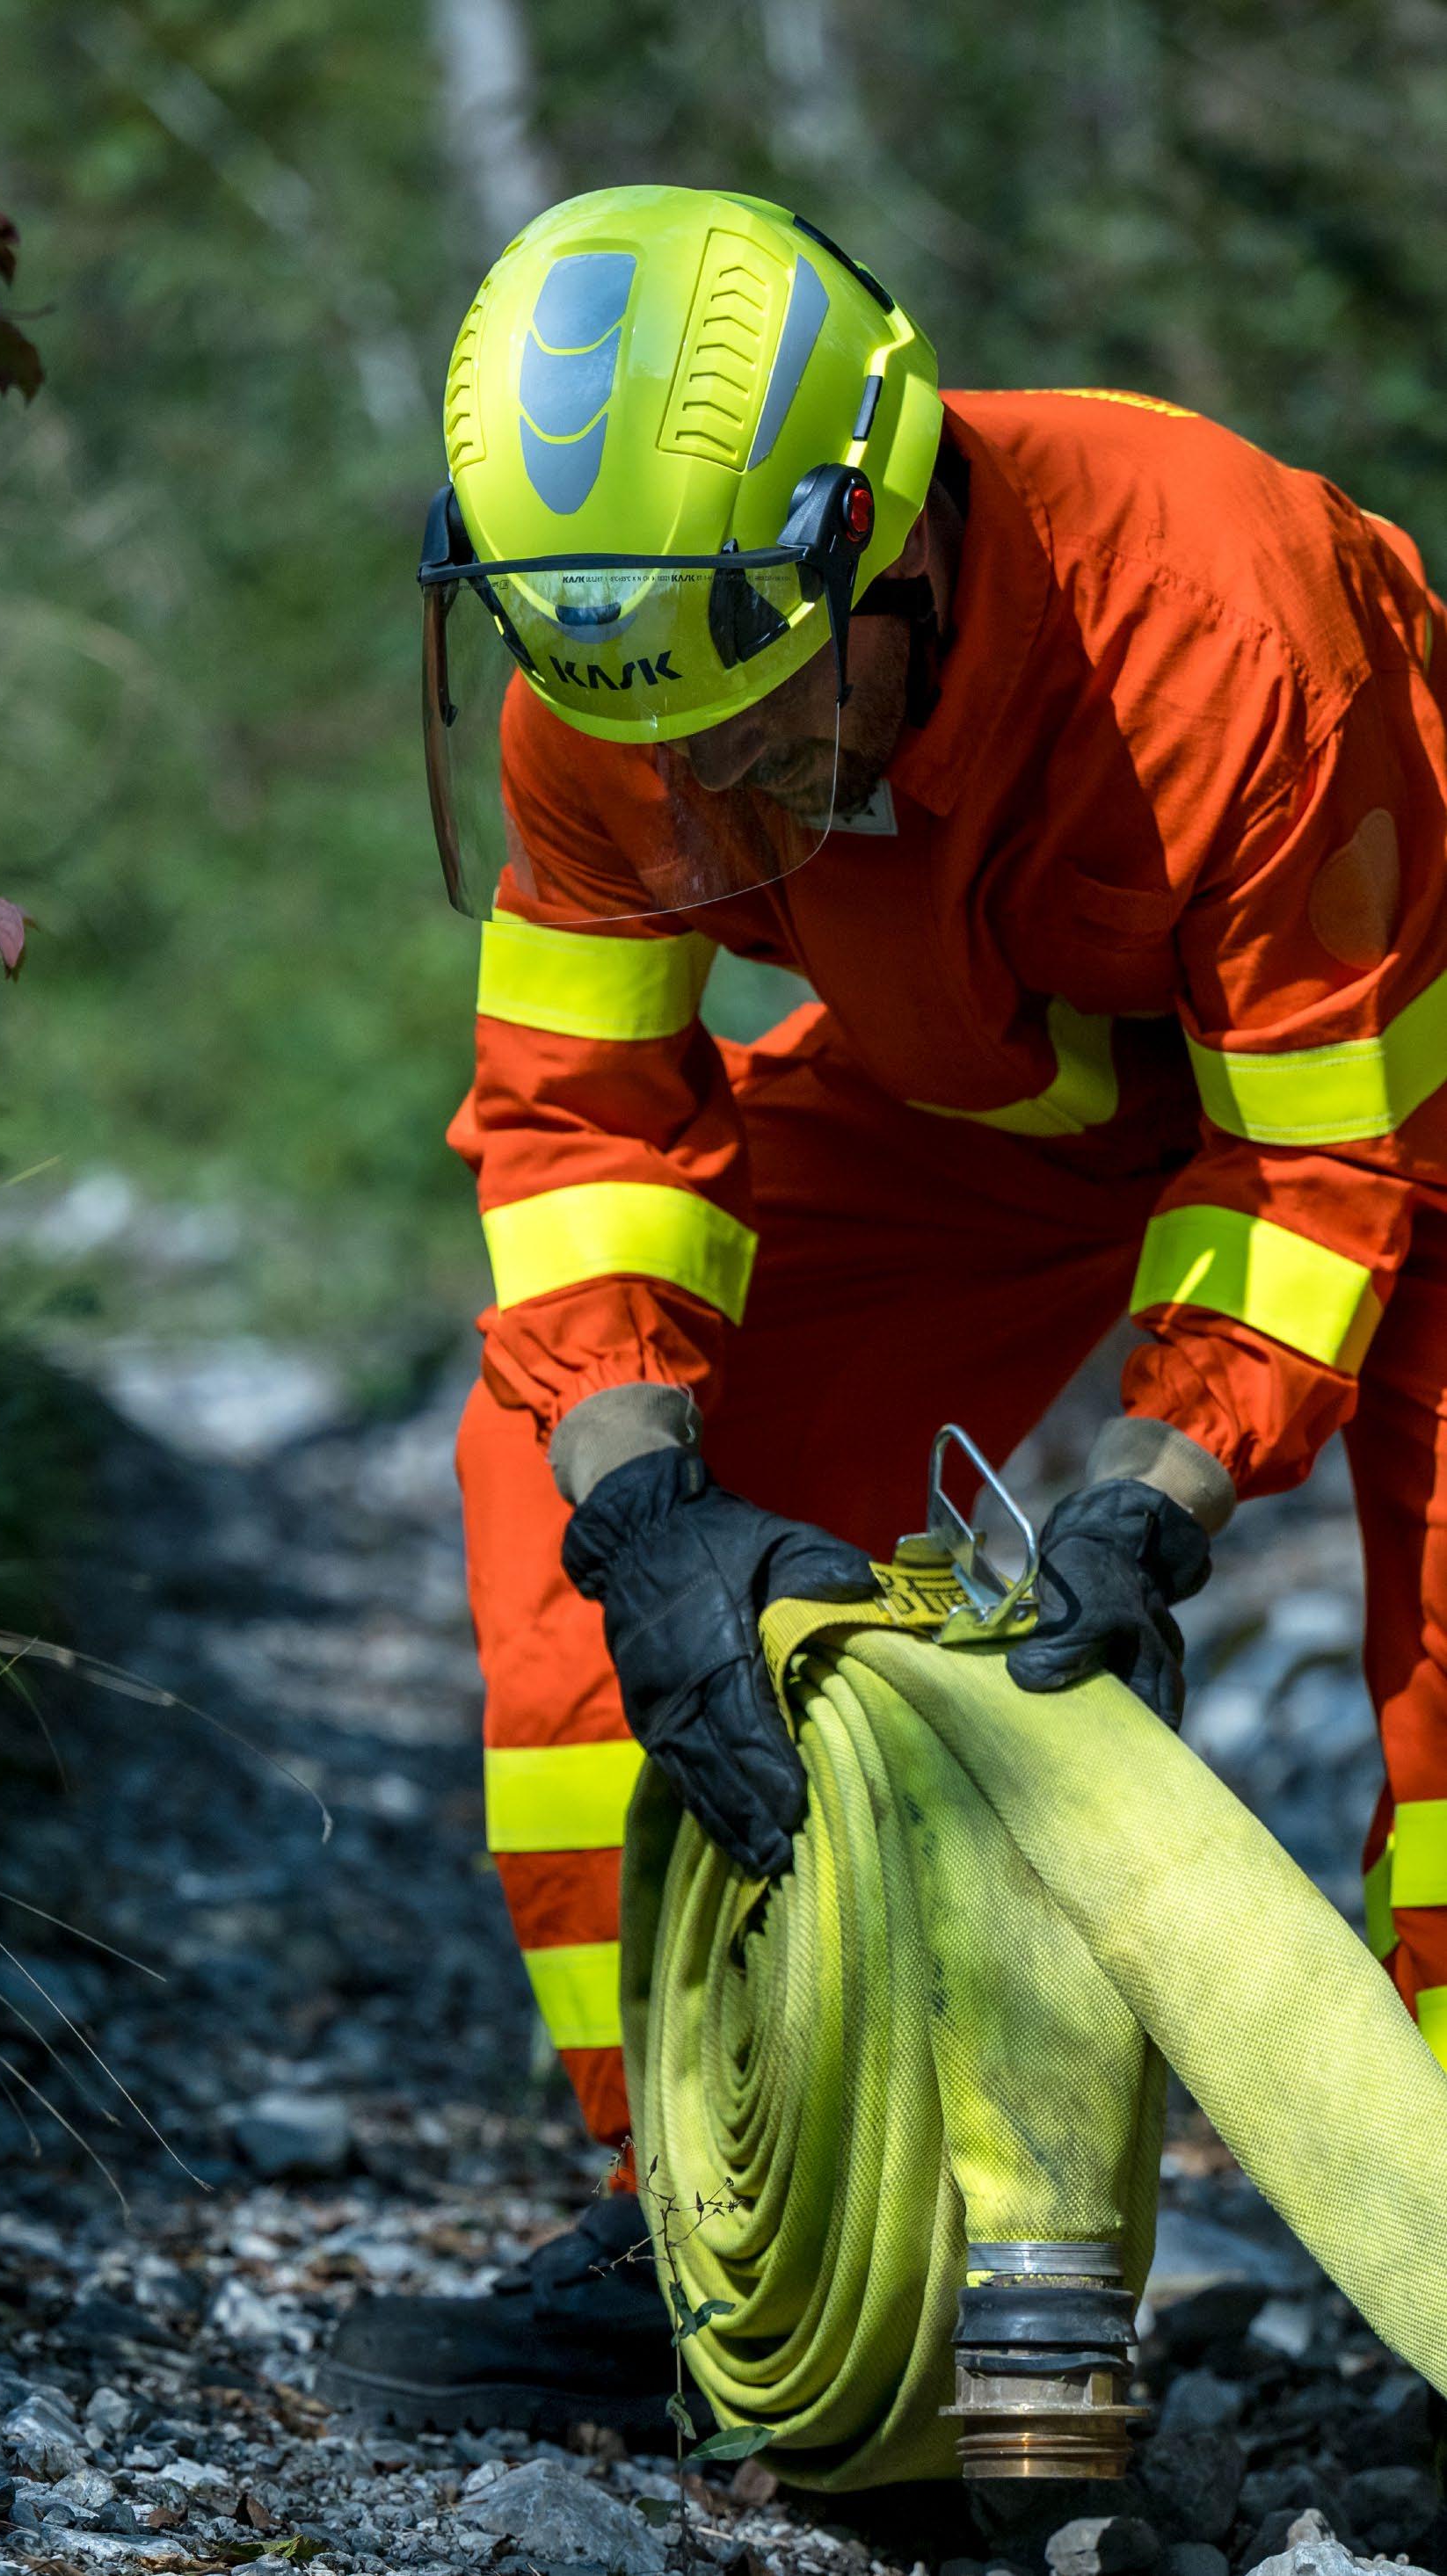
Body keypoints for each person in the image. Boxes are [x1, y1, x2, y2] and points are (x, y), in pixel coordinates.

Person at [320, 183, 1447, 2435]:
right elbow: (581, 1127)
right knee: (557, 1492)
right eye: (676, 752)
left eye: (763, 727)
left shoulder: (1230, 626)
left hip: (1388, 1071)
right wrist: (648, 1518)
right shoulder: (621, 679)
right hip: (998, 1079)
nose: (715, 787)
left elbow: (1325, 1160)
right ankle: (705, 2216)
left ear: (887, 540)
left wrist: (1152, 1497)